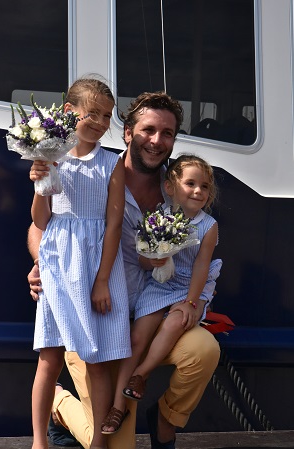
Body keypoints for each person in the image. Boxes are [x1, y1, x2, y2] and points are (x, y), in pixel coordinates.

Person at [28, 91, 221, 449]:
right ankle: (62, 408)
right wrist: (43, 265)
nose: (157, 141)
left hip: (153, 322)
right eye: (148, 130)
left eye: (167, 134)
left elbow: (201, 259)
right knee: (116, 445)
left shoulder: (182, 187)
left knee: (204, 350)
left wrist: (193, 303)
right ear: (128, 133)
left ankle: (164, 421)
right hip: (97, 320)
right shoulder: (97, 171)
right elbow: (43, 226)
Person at [28, 76, 131, 449]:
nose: (103, 124)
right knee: (49, 357)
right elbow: (41, 220)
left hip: (95, 265)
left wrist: (103, 280)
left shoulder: (111, 163)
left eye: (108, 117)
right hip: (58, 264)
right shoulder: (52, 156)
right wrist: (40, 181)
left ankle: (100, 443)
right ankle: (40, 441)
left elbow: (114, 223)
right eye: (95, 114)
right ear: (69, 112)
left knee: (98, 359)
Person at [101, 154, 219, 434]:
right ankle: (118, 405)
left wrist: (191, 303)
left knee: (174, 323)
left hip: (189, 287)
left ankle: (141, 375)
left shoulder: (208, 226)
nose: (198, 191)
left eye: (204, 187)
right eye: (190, 183)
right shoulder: (158, 218)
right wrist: (152, 260)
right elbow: (143, 257)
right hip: (159, 285)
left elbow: (202, 266)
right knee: (136, 338)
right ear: (170, 187)